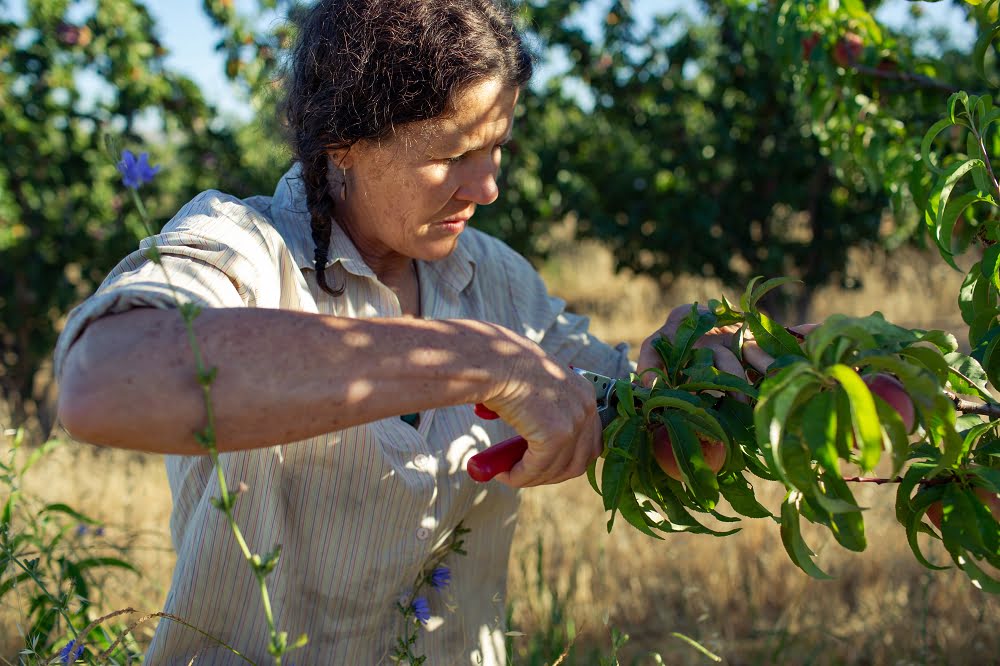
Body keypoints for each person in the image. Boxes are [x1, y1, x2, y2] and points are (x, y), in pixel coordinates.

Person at [54, 0, 745, 663]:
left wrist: (696, 389)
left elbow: (643, 442)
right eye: (451, 155)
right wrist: (475, 359)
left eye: (496, 147)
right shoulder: (248, 250)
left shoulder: (492, 278)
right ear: (343, 142)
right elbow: (100, 383)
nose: (487, 188)